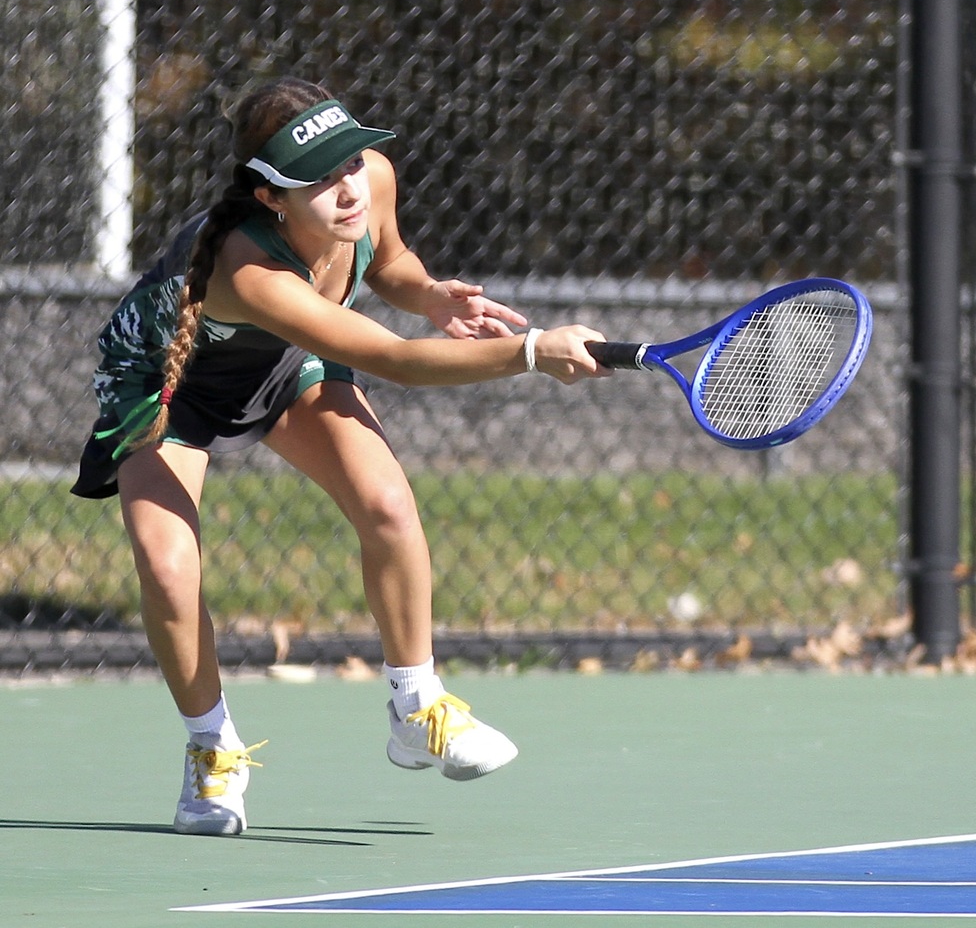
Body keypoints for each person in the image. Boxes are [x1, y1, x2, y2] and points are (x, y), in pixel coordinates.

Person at [71, 77, 611, 836]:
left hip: (286, 363)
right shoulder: (245, 266)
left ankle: (416, 707)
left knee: (386, 503)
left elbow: (388, 260)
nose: (349, 186)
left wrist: (428, 294)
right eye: (319, 178)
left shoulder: (370, 181)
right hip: (170, 385)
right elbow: (395, 360)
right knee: (167, 569)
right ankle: (211, 748)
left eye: (351, 161)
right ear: (271, 197)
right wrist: (531, 350)